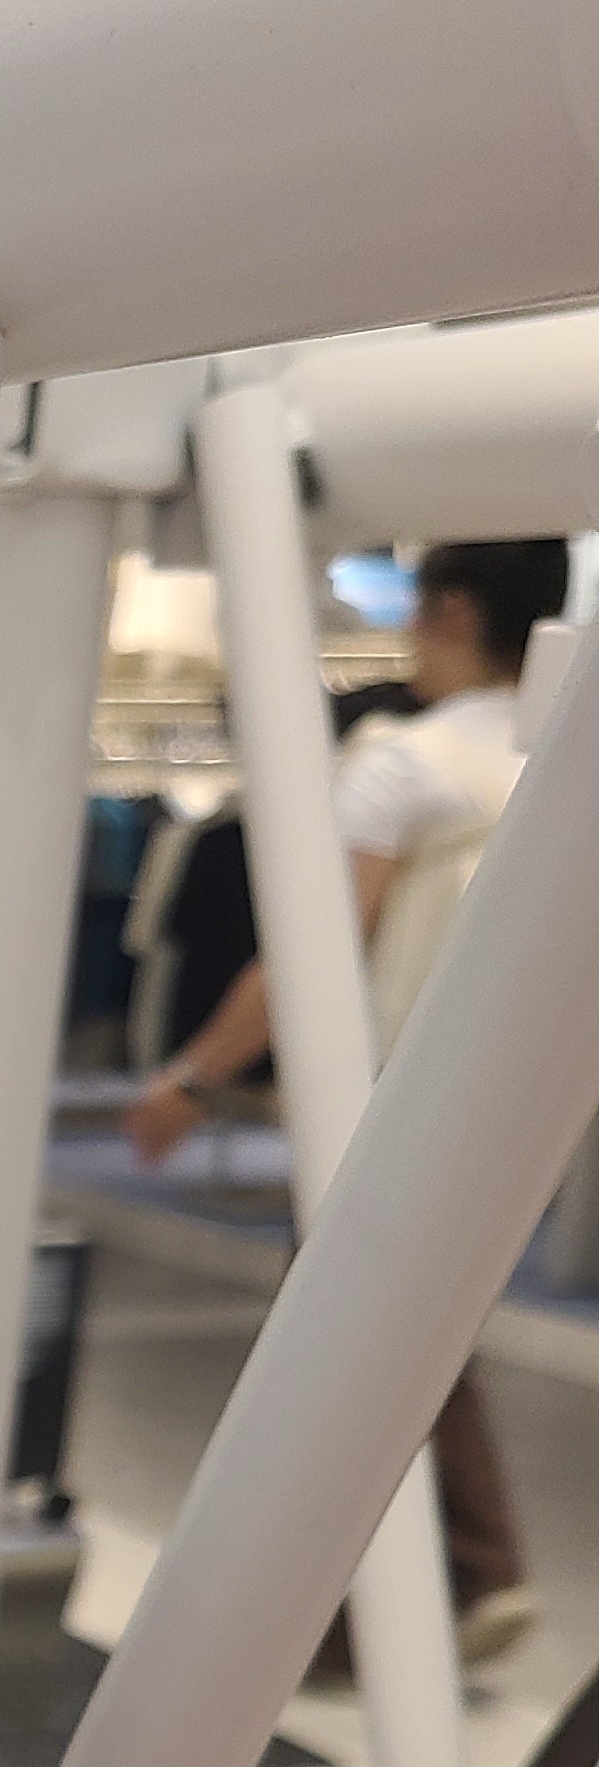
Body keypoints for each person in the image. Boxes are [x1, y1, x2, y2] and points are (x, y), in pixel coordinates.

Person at [124, 537, 570, 1665]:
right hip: (525, 1101)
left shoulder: (402, 764)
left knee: (334, 1354)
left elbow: (307, 962)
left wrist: (191, 1079)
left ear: (455, 612)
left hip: (388, 1101)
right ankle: (462, 1576)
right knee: (406, 1327)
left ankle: (379, 1605)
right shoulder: (564, 755)